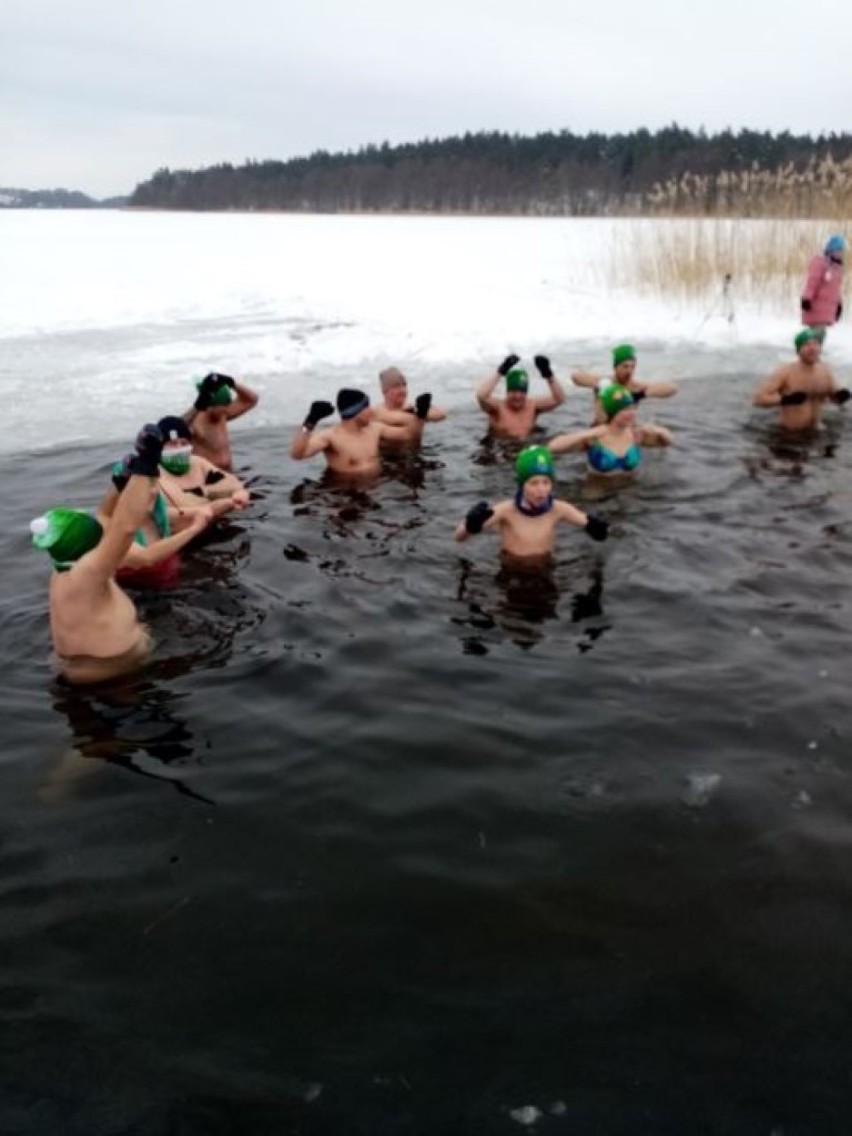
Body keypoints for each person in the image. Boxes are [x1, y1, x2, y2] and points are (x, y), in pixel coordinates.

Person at [30, 425, 165, 684]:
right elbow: (124, 529)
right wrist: (146, 464)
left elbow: (108, 519)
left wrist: (120, 485)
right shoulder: (88, 573)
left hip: (79, 670)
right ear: (88, 545)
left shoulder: (64, 571)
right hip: (112, 676)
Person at [454, 445, 609, 557]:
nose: (541, 490)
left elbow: (594, 529)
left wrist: (598, 529)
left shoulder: (559, 509)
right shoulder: (506, 510)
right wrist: (470, 524)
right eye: (534, 483)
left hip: (545, 568)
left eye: (546, 482)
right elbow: (459, 537)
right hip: (513, 570)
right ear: (522, 485)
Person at [98, 455, 214, 588]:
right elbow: (146, 558)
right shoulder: (109, 528)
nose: (153, 491)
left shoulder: (156, 515)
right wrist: (194, 529)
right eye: (144, 488)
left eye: (154, 483)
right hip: (141, 596)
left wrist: (232, 501)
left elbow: (198, 511)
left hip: (172, 583)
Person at [548, 384, 672, 474]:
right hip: (599, 494)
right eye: (625, 410)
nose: (631, 413)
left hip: (630, 491)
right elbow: (553, 447)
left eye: (631, 408)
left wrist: (658, 430)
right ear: (613, 413)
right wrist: (588, 433)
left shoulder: (635, 434)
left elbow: (667, 442)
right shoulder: (594, 438)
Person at [289, 388, 412, 476]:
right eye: (366, 407)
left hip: (377, 489)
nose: (372, 411)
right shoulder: (331, 436)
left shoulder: (375, 428)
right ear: (355, 412)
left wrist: (419, 415)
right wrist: (310, 421)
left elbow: (408, 434)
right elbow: (297, 455)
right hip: (345, 492)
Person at [752, 328, 850, 430]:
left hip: (817, 431)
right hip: (789, 434)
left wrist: (841, 397)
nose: (812, 348)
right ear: (798, 350)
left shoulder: (825, 372)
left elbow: (834, 398)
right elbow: (758, 399)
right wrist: (786, 400)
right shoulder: (785, 371)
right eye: (807, 345)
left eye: (815, 344)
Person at [155, 415, 250, 517]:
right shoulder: (152, 474)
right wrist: (215, 504)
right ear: (159, 447)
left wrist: (239, 493)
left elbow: (232, 483)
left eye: (184, 443)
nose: (179, 449)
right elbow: (172, 511)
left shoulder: (196, 462)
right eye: (172, 444)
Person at [571, 344, 678, 425]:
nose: (629, 371)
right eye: (625, 367)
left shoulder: (636, 387)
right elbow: (576, 376)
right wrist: (603, 386)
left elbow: (672, 388)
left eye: (632, 367)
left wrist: (640, 395)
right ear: (615, 367)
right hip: (601, 428)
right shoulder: (605, 382)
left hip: (626, 431)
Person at [475, 354, 567, 438]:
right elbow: (481, 395)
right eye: (513, 391)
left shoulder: (532, 405)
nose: (517, 396)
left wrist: (548, 374)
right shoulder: (497, 407)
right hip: (502, 447)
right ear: (507, 392)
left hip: (527, 446)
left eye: (522, 391)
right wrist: (501, 371)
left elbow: (559, 399)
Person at [182, 371, 259, 469]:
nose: (222, 410)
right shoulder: (195, 423)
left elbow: (251, 399)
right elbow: (174, 426)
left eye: (225, 405)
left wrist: (230, 382)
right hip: (209, 478)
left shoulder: (223, 414)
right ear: (208, 406)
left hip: (229, 474)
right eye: (218, 406)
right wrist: (198, 406)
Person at [374, 366, 448, 444]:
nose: (402, 390)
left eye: (404, 385)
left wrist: (423, 413)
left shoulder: (413, 408)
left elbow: (442, 414)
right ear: (385, 391)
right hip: (387, 455)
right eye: (396, 386)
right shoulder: (378, 411)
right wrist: (414, 417)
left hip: (416, 453)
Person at [801, 235, 845, 339]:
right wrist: (806, 298)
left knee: (820, 335)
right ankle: (810, 353)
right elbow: (812, 282)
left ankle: (813, 352)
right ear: (830, 250)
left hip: (827, 309)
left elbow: (835, 289)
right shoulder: (820, 263)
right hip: (816, 306)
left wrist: (838, 304)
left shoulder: (837, 268)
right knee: (817, 334)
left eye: (841, 251)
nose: (840, 253)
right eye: (838, 250)